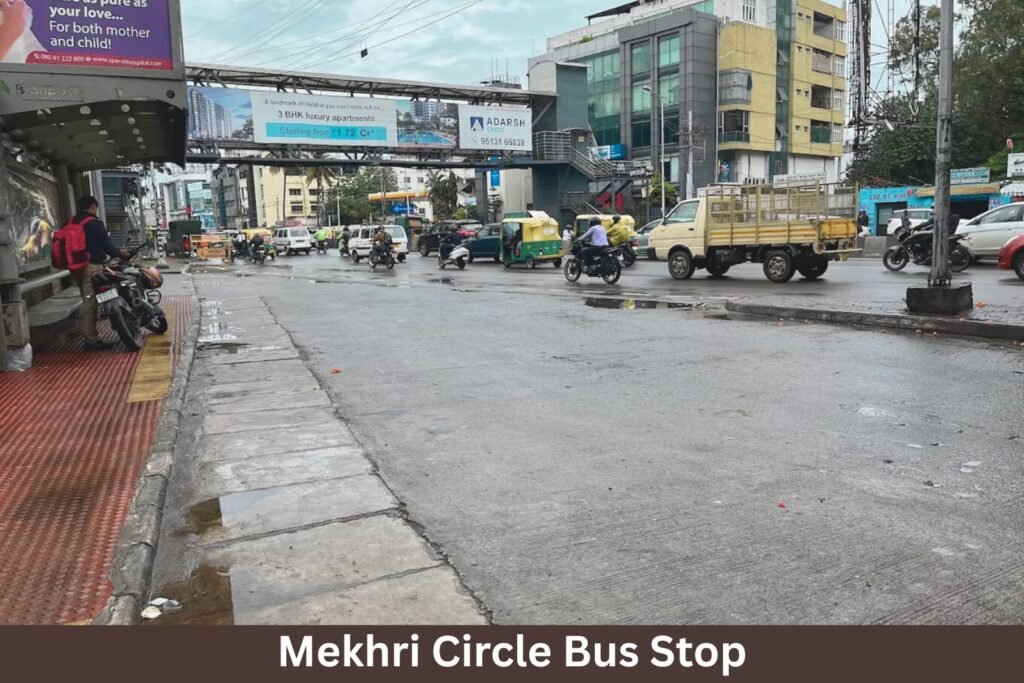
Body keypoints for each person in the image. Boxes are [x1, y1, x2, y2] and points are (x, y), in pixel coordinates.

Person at [70, 196, 126, 351]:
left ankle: (91, 335)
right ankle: (91, 340)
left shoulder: (71, 222)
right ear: (93, 207)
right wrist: (120, 253)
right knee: (90, 303)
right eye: (95, 208)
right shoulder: (94, 223)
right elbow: (108, 247)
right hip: (91, 267)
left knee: (86, 298)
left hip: (74, 268)